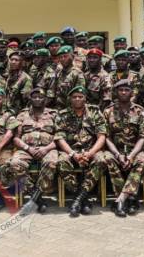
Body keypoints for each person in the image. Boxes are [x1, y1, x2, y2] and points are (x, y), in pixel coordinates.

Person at [0, 88, 58, 213]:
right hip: (26, 148)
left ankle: (35, 197)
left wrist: (46, 148)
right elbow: (16, 138)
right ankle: (36, 197)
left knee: (52, 163)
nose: (37, 99)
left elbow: (60, 137)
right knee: (14, 164)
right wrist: (28, 148)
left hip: (48, 148)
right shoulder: (22, 115)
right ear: (30, 99)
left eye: (40, 97)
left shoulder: (54, 114)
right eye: (35, 97)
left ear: (45, 99)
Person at [54, 86, 107, 217]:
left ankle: (78, 199)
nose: (77, 99)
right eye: (74, 97)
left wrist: (91, 153)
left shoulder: (95, 112)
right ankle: (83, 198)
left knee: (101, 161)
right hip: (70, 150)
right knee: (61, 162)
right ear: (70, 99)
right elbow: (59, 138)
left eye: (80, 96)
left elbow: (102, 136)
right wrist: (73, 154)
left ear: (85, 98)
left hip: (91, 149)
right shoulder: (62, 115)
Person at [102, 80, 144, 217]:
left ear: (131, 93)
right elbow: (106, 137)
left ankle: (120, 200)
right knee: (108, 159)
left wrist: (132, 155)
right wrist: (117, 154)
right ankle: (130, 199)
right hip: (115, 150)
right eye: (120, 90)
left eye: (126, 90)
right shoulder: (108, 111)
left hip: (134, 150)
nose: (123, 92)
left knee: (142, 160)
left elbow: (143, 136)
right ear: (116, 92)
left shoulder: (140, 111)